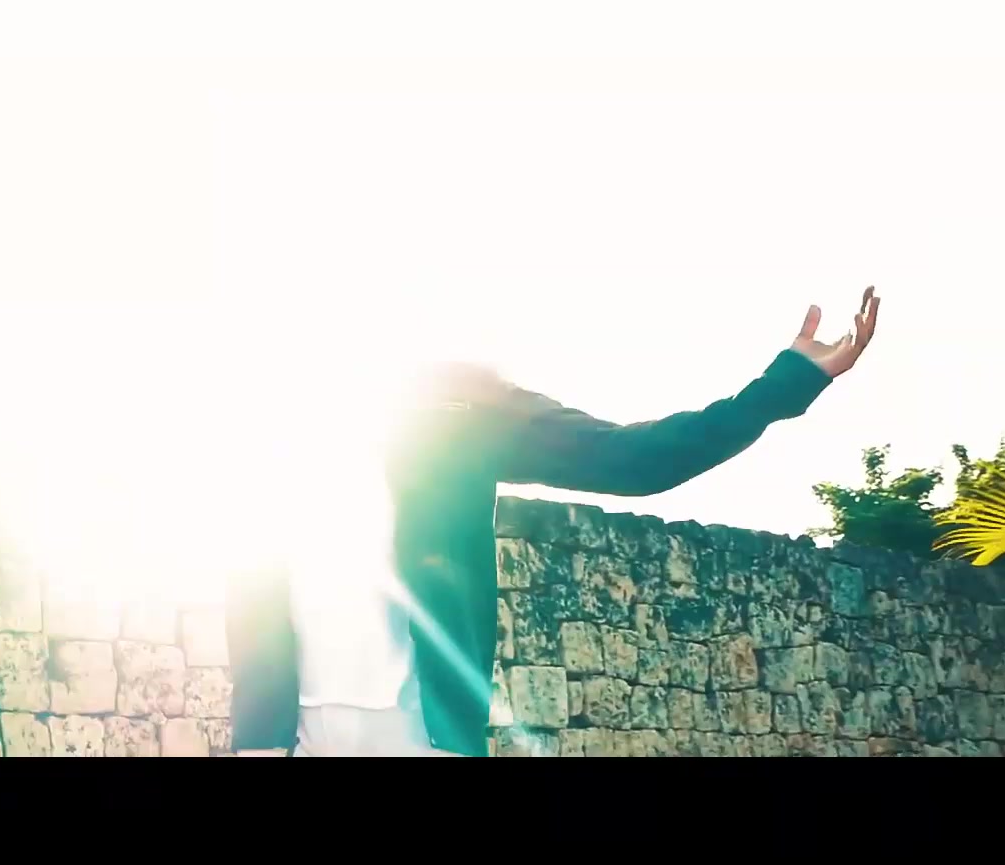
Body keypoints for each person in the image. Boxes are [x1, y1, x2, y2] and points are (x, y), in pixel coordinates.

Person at [227, 287, 881, 757]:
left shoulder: (463, 409)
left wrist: (783, 384)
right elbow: (252, 587)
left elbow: (635, 459)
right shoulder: (277, 418)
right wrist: (255, 741)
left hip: (427, 739)